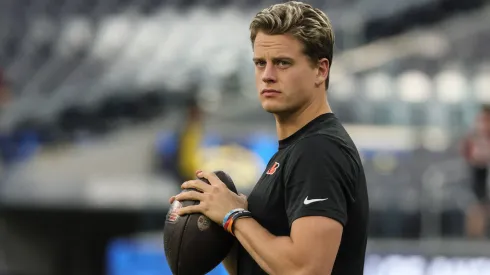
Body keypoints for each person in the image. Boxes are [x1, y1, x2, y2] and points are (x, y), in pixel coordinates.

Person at [170, 2, 369, 274]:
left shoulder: (318, 149)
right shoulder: (292, 151)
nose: (267, 76)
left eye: (282, 63)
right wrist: (224, 222)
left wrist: (235, 217)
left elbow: (306, 269)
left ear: (321, 70)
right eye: (260, 63)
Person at [461, 105, 490, 238]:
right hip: (479, 171)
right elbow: (468, 153)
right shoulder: (474, 135)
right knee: (477, 206)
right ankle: (475, 238)